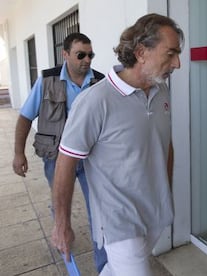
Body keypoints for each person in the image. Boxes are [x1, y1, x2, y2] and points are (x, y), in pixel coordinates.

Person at [50, 13, 183, 275]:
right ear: (142, 52)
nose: (177, 63)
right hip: (119, 222)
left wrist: (166, 191)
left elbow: (165, 144)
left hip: (155, 211)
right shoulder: (95, 101)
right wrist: (61, 224)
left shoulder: (161, 91)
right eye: (171, 53)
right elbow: (65, 162)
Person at [12, 32, 108, 272]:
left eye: (90, 55)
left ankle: (104, 264)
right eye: (80, 55)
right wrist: (18, 153)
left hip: (90, 160)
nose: (87, 60)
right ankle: (62, 235)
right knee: (60, 204)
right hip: (56, 158)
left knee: (97, 210)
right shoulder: (46, 80)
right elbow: (25, 117)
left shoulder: (100, 82)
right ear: (65, 54)